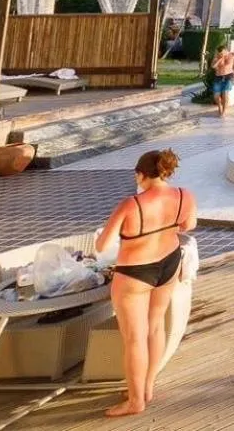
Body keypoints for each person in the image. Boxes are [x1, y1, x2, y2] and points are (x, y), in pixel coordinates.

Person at [94, 149, 197, 418]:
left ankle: (136, 401)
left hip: (135, 271)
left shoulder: (131, 204)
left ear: (141, 174)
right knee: (155, 327)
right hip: (169, 262)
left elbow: (102, 245)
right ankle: (148, 387)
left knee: (134, 338)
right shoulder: (184, 195)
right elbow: (189, 224)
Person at [208, 44, 234, 117]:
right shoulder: (217, 57)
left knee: (225, 94)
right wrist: (220, 58)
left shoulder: (232, 55)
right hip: (218, 77)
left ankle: (224, 112)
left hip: (228, 76)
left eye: (222, 53)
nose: (220, 54)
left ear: (225, 51)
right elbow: (213, 66)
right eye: (219, 53)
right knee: (216, 96)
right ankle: (219, 107)